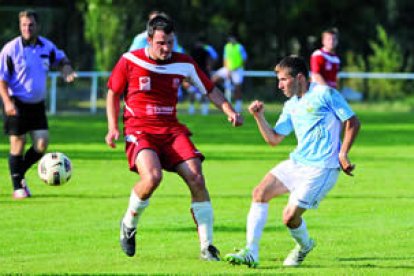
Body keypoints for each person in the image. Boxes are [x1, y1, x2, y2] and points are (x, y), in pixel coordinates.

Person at [105, 15, 243, 260]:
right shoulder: (129, 60)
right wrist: (112, 127)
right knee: (153, 177)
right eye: (161, 43)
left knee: (197, 177)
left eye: (170, 42)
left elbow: (210, 90)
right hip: (140, 130)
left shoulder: (184, 63)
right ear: (148, 40)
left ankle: (207, 246)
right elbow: (113, 94)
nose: (166, 48)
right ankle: (128, 223)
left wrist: (229, 110)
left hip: (171, 130)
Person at [224, 55, 360, 268]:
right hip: (298, 162)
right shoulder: (290, 105)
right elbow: (274, 139)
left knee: (289, 218)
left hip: (322, 168)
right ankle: (251, 251)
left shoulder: (325, 94)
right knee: (260, 193)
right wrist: (259, 117)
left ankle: (305, 246)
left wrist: (342, 154)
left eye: (283, 80)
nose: (279, 86)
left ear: (299, 78)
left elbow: (352, 121)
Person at [0, 9, 76, 199]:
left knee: (41, 144)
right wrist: (7, 102)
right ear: (20, 26)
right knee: (18, 143)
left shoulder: (46, 47)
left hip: (37, 105)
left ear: (37, 26)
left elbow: (62, 59)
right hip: (16, 102)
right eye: (24, 25)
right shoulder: (11, 49)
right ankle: (18, 187)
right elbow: (1, 79)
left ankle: (19, 173)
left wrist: (67, 69)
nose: (27, 28)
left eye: (31, 25)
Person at [212, 35, 247, 113]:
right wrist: (227, 69)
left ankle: (238, 106)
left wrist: (235, 68)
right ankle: (228, 86)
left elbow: (244, 59)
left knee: (238, 88)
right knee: (214, 78)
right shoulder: (227, 47)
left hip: (237, 69)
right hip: (228, 68)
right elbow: (225, 58)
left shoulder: (239, 47)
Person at [186, 35, 218, 115]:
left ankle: (191, 109)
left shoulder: (192, 51)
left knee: (192, 91)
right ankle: (204, 110)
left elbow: (188, 61)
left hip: (193, 73)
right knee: (204, 91)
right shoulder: (206, 51)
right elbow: (209, 63)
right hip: (203, 73)